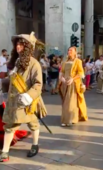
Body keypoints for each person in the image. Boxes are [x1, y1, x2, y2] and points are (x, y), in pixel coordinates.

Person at [0, 32, 47, 162]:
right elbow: (11, 81)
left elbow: (38, 84)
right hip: (13, 100)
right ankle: (5, 151)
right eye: (17, 44)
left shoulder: (34, 64)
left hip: (28, 101)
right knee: (10, 125)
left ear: (27, 47)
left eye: (21, 44)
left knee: (33, 124)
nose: (18, 46)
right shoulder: (16, 62)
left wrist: (28, 96)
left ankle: (35, 144)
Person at [58, 46, 88, 127]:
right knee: (65, 102)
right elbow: (61, 72)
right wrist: (62, 78)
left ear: (75, 52)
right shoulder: (65, 62)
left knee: (71, 101)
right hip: (65, 83)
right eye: (68, 50)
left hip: (73, 84)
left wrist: (72, 79)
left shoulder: (78, 61)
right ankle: (65, 118)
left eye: (71, 50)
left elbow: (81, 73)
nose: (69, 51)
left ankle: (72, 119)